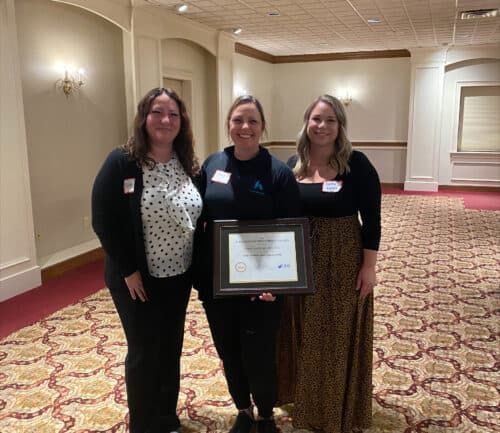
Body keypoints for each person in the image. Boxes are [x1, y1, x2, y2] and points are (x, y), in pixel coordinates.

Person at [91, 87, 202, 433]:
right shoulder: (122, 162)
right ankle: (143, 424)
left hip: (179, 275)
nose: (165, 120)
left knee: (170, 347)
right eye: (157, 112)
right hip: (137, 278)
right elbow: (103, 220)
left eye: (173, 114)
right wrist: (129, 270)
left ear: (181, 121)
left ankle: (166, 418)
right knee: (143, 350)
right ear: (144, 117)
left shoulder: (188, 163)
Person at [193, 95, 299, 433]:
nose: (245, 127)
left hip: (262, 284)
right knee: (229, 349)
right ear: (228, 124)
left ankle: (266, 413)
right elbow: (197, 220)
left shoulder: (278, 173)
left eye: (252, 121)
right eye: (238, 120)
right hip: (218, 282)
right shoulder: (211, 165)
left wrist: (277, 283)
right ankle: (243, 409)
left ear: (263, 127)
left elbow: (291, 228)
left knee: (259, 352)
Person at [279, 94, 381, 433]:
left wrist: (369, 267)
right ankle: (306, 398)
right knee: (304, 329)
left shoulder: (357, 164)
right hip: (301, 258)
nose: (322, 126)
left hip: (341, 257)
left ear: (340, 126)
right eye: (316, 119)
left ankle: (337, 406)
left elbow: (373, 220)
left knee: (336, 332)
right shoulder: (295, 163)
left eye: (330, 120)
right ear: (307, 123)